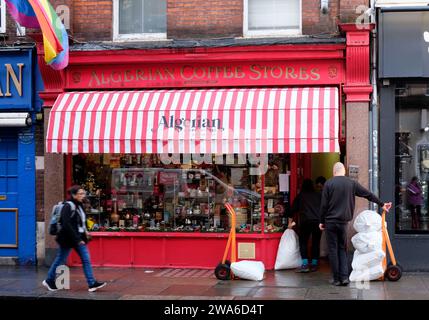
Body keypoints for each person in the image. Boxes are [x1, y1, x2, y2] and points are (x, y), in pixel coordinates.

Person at [319, 162, 392, 286]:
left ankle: (336, 279)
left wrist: (321, 221)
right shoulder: (351, 183)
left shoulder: (329, 183)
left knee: (333, 249)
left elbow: (323, 205)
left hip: (330, 222)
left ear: (334, 171)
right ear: (344, 171)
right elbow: (367, 194)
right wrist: (381, 204)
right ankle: (344, 278)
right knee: (342, 248)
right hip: (343, 223)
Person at [42, 185, 107, 292]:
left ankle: (91, 283)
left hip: (77, 238)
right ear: (74, 195)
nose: (83, 195)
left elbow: (81, 222)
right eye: (80, 194)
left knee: (85, 259)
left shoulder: (79, 205)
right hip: (67, 239)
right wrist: (77, 239)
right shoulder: (68, 206)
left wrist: (85, 232)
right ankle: (49, 280)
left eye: (83, 193)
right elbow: (66, 224)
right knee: (60, 259)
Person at [289, 179, 322, 273]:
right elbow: (324, 208)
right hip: (317, 222)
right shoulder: (318, 195)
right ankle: (314, 264)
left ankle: (305, 264)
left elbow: (292, 210)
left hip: (305, 222)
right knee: (316, 242)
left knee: (303, 242)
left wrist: (290, 223)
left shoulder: (301, 196)